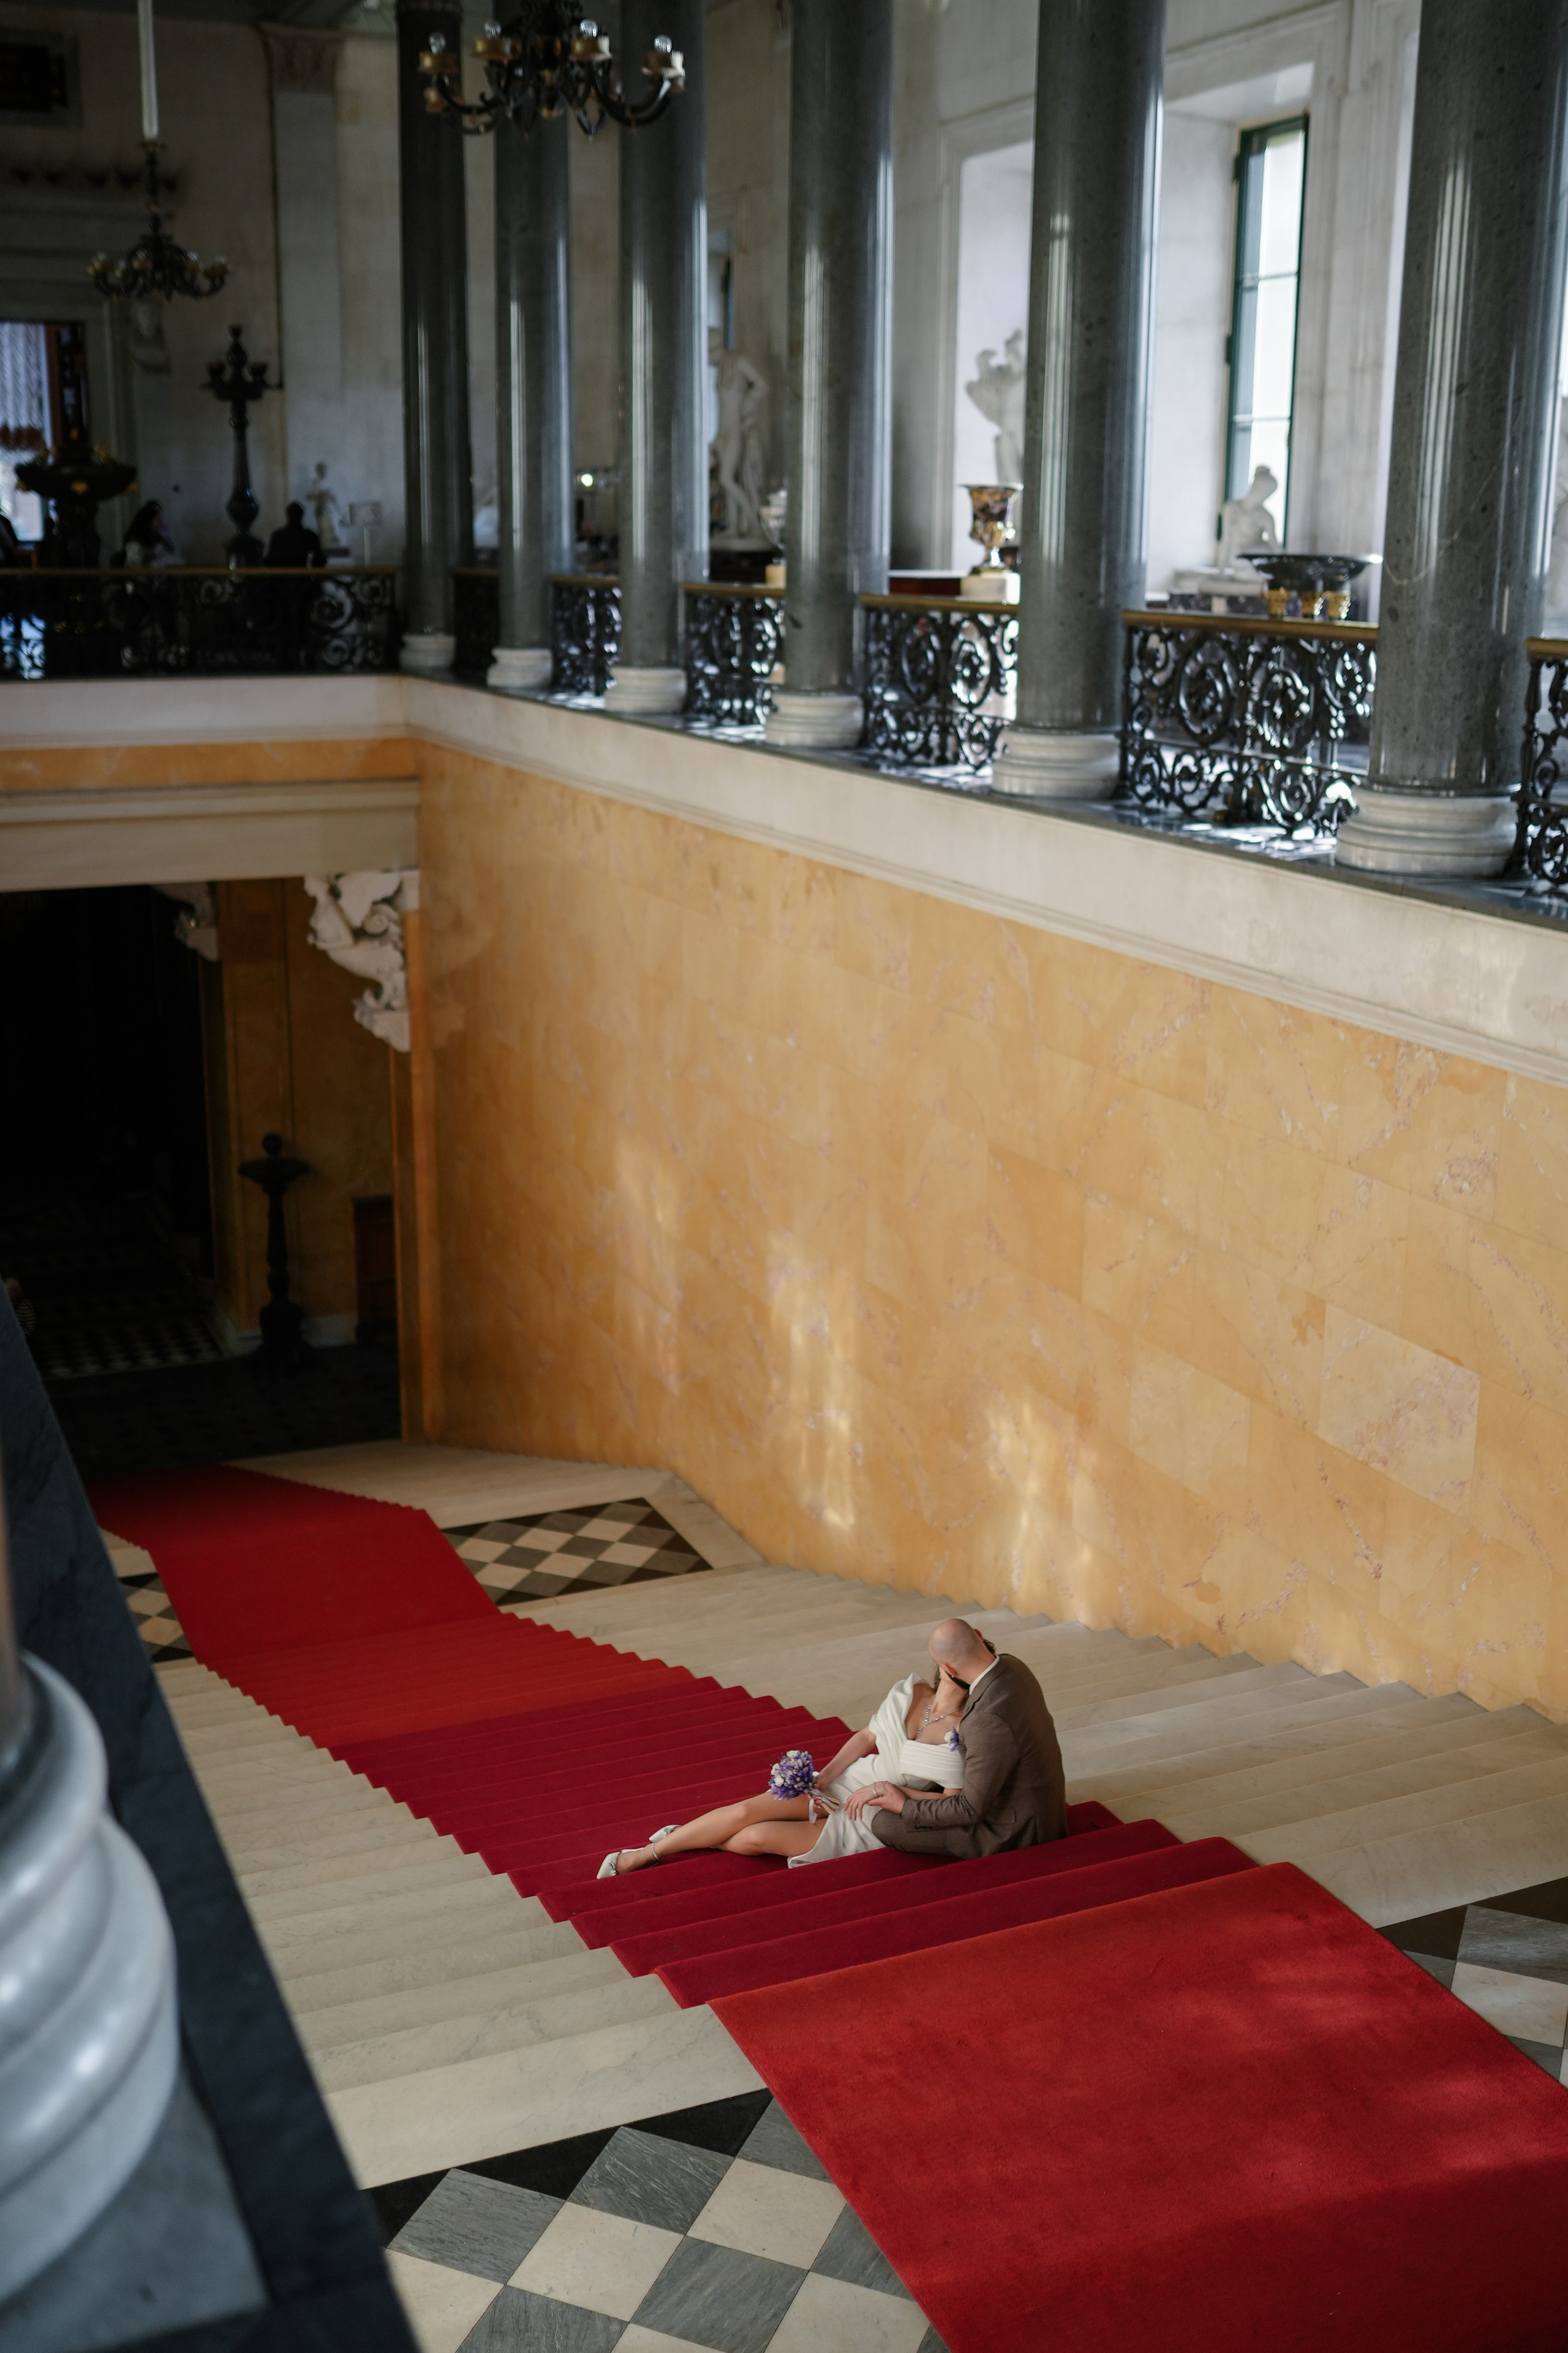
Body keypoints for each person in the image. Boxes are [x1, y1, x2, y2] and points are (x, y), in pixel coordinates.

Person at [598, 1641, 971, 1878]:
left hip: (875, 1815)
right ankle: (644, 1855)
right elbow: (866, 1737)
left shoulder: (966, 1731)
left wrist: (890, 1792)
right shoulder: (911, 1691)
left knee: (755, 1837)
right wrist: (826, 1777)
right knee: (744, 1812)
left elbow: (951, 1804)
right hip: (848, 1782)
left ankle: (687, 1836)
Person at [853, 1617, 1066, 1859]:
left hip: (1015, 1830)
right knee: (931, 1781)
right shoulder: (1012, 1665)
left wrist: (904, 1806)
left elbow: (970, 1809)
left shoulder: (985, 1720)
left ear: (950, 1670)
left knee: (886, 1823)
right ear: (979, 1635)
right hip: (1035, 1801)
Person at [263, 502, 325, 568]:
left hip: (284, 573)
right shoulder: (310, 535)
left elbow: (271, 561)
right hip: (300, 573)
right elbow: (319, 561)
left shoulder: (278, 535)